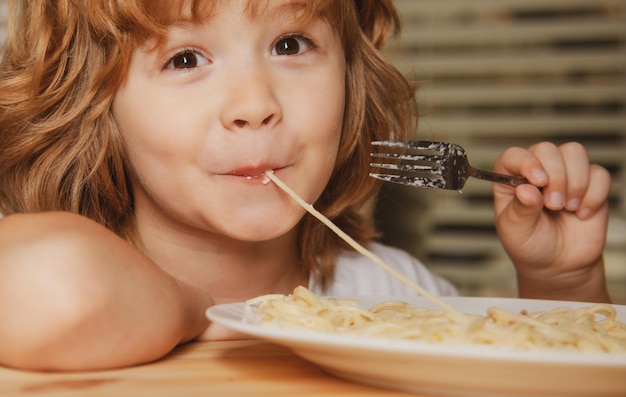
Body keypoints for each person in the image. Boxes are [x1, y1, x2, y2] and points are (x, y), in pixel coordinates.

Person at [0, 0, 612, 371]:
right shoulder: (59, 276)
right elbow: (53, 285)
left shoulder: (397, 295)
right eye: (185, 59)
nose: (255, 104)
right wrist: (205, 314)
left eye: (290, 44)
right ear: (93, 106)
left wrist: (562, 284)